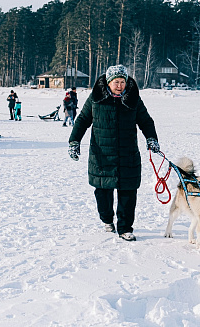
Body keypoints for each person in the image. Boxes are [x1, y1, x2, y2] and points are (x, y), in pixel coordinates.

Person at [68, 64, 160, 241]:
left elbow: (146, 121)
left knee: (128, 191)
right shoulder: (96, 99)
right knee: (103, 191)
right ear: (109, 83)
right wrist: (74, 142)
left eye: (122, 82)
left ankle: (125, 228)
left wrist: (151, 138)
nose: (120, 85)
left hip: (128, 154)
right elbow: (82, 120)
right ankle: (107, 219)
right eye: (116, 82)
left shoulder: (133, 99)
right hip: (102, 154)